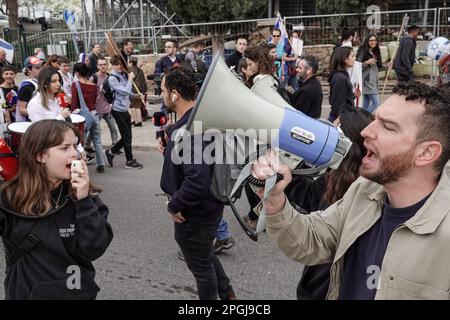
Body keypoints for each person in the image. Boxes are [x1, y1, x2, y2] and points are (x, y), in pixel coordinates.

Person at [251, 81, 450, 300]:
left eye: (388, 126)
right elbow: (313, 239)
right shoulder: (365, 188)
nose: (366, 131)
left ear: (426, 153)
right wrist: (275, 200)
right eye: (375, 120)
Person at [0, 119, 113, 299]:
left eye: (75, 146)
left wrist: (83, 201)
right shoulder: (10, 197)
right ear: (40, 156)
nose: (74, 154)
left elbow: (94, 249)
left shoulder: (83, 194)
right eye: (64, 148)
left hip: (77, 293)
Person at [159, 67, 235, 300]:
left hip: (195, 213)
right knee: (204, 255)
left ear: (174, 94)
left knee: (201, 268)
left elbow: (196, 182)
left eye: (162, 91)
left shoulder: (190, 129)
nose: (161, 96)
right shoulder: (198, 120)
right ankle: (228, 295)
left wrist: (175, 205)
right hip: (207, 209)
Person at [287, 106, 375, 300]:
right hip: (315, 282)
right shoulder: (334, 175)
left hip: (325, 285)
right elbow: (308, 195)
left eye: (334, 131)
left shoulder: (366, 187)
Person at [104, 55, 143, 170]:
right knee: (127, 137)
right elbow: (125, 90)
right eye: (116, 64)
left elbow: (128, 90)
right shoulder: (112, 79)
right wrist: (130, 79)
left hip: (125, 109)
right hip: (117, 110)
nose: (119, 66)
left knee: (128, 136)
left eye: (121, 63)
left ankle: (111, 151)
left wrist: (135, 95)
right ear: (112, 65)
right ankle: (129, 160)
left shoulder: (122, 75)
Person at [71, 63, 105, 173]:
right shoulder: (93, 85)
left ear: (77, 73)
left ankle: (81, 163)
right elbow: (94, 100)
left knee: (81, 141)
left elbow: (74, 104)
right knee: (97, 141)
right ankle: (101, 164)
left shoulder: (75, 85)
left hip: (82, 116)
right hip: (94, 114)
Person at [90, 57, 119, 148]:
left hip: (108, 108)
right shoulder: (93, 78)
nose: (103, 66)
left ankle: (115, 146)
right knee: (93, 128)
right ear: (97, 66)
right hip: (97, 109)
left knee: (113, 128)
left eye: (104, 64)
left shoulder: (110, 77)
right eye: (100, 64)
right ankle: (87, 145)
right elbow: (89, 94)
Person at [328, 46, 355, 123]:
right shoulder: (340, 78)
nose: (355, 58)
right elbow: (338, 104)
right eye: (352, 56)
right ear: (345, 59)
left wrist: (351, 95)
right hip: (340, 119)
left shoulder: (343, 75)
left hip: (344, 117)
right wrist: (339, 120)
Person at [357, 34, 383, 113]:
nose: (373, 42)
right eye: (371, 40)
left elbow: (377, 65)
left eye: (375, 40)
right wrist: (367, 62)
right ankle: (364, 117)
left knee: (365, 104)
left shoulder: (375, 52)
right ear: (367, 41)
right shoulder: (363, 52)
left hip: (374, 81)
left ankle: (360, 118)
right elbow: (357, 66)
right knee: (376, 103)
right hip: (367, 82)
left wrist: (388, 65)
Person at [16, 56, 43, 121]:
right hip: (31, 124)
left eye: (42, 67)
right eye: (37, 68)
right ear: (29, 70)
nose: (41, 69)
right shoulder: (26, 87)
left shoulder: (43, 83)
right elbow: (21, 110)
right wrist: (42, 114)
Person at [128, 56, 147, 127]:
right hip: (140, 91)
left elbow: (129, 80)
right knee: (138, 106)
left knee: (131, 106)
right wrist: (144, 91)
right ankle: (139, 121)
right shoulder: (140, 70)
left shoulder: (130, 70)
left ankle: (133, 120)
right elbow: (143, 81)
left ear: (131, 62)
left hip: (133, 90)